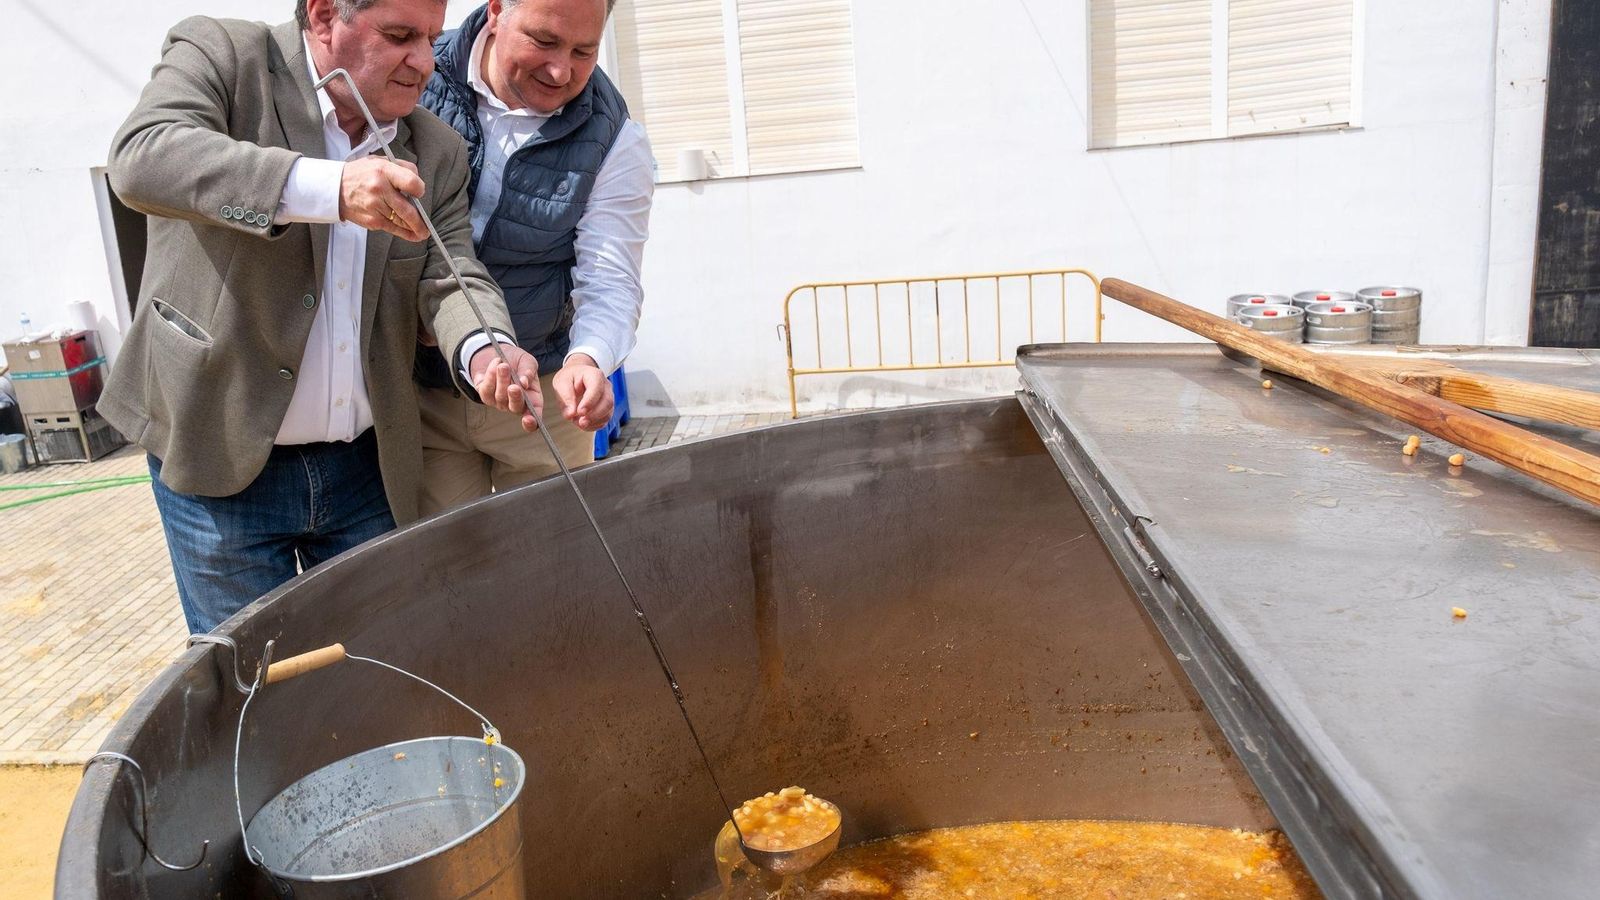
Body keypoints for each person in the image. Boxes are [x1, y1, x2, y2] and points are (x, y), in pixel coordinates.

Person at [101, 0, 543, 633]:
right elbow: (143, 157)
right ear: (324, 15)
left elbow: (450, 276)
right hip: (220, 460)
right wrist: (330, 188)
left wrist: (486, 346)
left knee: (384, 666)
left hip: (365, 470)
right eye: (399, 35)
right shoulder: (225, 57)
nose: (422, 61)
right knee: (257, 686)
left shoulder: (434, 149)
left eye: (430, 37)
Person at [415, 0, 652, 515]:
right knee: (443, 573)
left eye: (584, 51)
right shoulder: (415, 74)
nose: (561, 70)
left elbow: (611, 276)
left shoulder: (616, 138)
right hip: (417, 394)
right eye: (543, 41)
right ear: (498, 11)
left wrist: (588, 358)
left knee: (556, 563)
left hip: (540, 396)